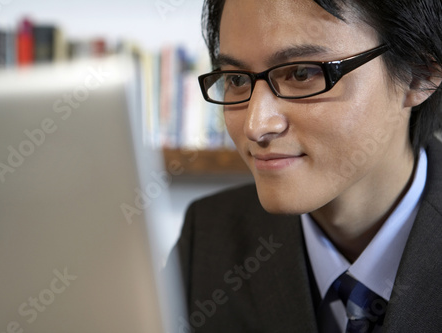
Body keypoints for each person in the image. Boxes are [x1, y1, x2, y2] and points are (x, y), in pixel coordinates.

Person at [172, 0, 442, 332]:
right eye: (237, 79)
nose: (256, 126)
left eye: (303, 73)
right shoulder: (209, 240)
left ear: (419, 75)